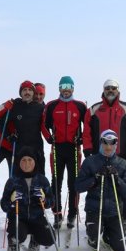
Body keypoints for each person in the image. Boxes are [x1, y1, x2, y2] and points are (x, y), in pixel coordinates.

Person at [82, 80, 126, 229]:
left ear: (118, 90)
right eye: (107, 88)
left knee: (122, 186)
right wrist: (87, 147)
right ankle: (98, 216)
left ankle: (123, 216)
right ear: (103, 90)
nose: (110, 91)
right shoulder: (94, 109)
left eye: (113, 88)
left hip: (120, 155)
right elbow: (86, 130)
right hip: (98, 155)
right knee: (99, 186)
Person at [0, 81, 46, 212]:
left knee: (25, 176)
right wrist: (9, 135)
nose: (27, 92)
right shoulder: (15, 105)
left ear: (33, 93)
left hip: (27, 147)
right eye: (24, 90)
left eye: (29, 90)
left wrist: (50, 139)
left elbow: (46, 125)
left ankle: (29, 204)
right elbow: (1, 120)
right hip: (11, 145)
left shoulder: (40, 108)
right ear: (20, 92)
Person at [76, 130, 126, 251]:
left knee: (119, 247)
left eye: (112, 143)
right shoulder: (90, 162)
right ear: (100, 143)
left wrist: (118, 179)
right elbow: (78, 186)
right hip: (95, 209)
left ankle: (108, 235)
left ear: (116, 145)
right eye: (105, 142)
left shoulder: (122, 164)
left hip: (114, 210)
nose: (108, 147)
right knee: (94, 242)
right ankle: (93, 235)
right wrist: (94, 179)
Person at [42, 76, 87, 229]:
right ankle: (57, 214)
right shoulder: (52, 105)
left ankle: (72, 214)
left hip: (74, 149)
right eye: (63, 86)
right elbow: (43, 125)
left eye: (69, 86)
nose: (66, 89)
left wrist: (81, 138)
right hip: (57, 148)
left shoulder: (80, 106)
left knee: (73, 183)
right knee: (56, 181)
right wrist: (49, 138)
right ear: (59, 88)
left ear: (73, 88)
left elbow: (87, 125)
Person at [1, 147, 55, 251]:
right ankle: (13, 241)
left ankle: (35, 239)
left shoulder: (42, 180)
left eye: (30, 160)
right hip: (18, 218)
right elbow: (4, 205)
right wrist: (11, 201)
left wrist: (44, 200)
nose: (27, 163)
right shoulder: (13, 181)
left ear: (35, 162)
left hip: (37, 218)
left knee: (50, 238)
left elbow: (51, 202)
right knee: (18, 234)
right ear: (19, 162)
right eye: (23, 160)